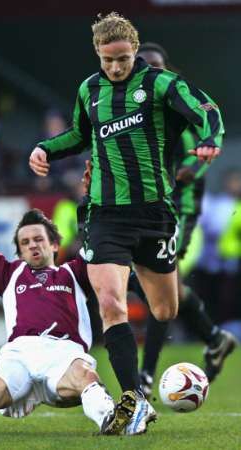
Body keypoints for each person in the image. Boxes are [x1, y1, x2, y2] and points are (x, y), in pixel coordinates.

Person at [29, 12, 224, 429]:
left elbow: (206, 109)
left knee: (165, 307)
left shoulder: (159, 83)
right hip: (105, 214)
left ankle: (146, 384)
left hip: (154, 213)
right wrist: (46, 148)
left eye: (122, 58)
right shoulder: (90, 89)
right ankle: (135, 399)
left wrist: (209, 139)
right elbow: (80, 135)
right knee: (112, 305)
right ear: (98, 54)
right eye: (107, 60)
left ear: (135, 50)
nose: (115, 68)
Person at [0, 158, 154, 436]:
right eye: (25, 243)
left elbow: (98, 245)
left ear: (54, 243)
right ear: (20, 252)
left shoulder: (75, 272)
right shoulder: (8, 274)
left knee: (87, 378)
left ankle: (112, 422)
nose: (33, 246)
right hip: (20, 354)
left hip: (64, 353)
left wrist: (93, 196)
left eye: (39, 239)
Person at [129, 42, 237, 397]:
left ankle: (145, 376)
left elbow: (201, 149)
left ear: (168, 68)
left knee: (159, 284)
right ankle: (214, 336)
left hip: (180, 209)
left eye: (158, 66)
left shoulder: (178, 104)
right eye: (146, 66)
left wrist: (187, 170)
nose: (152, 72)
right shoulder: (136, 108)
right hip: (148, 208)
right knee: (159, 286)